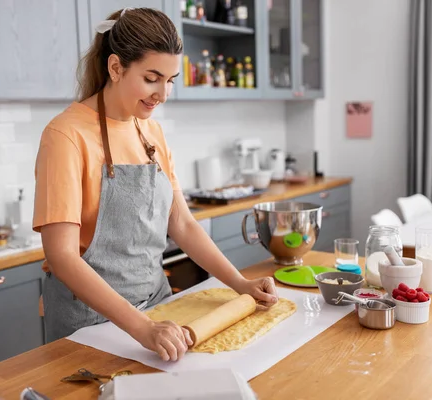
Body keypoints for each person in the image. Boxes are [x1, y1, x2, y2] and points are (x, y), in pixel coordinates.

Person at [32, 7, 278, 363]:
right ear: (115, 68)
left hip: (158, 309)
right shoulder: (66, 136)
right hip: (88, 325)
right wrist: (141, 328)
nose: (163, 93)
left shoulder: (151, 132)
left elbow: (181, 223)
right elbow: (63, 257)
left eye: (170, 80)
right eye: (152, 78)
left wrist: (239, 283)